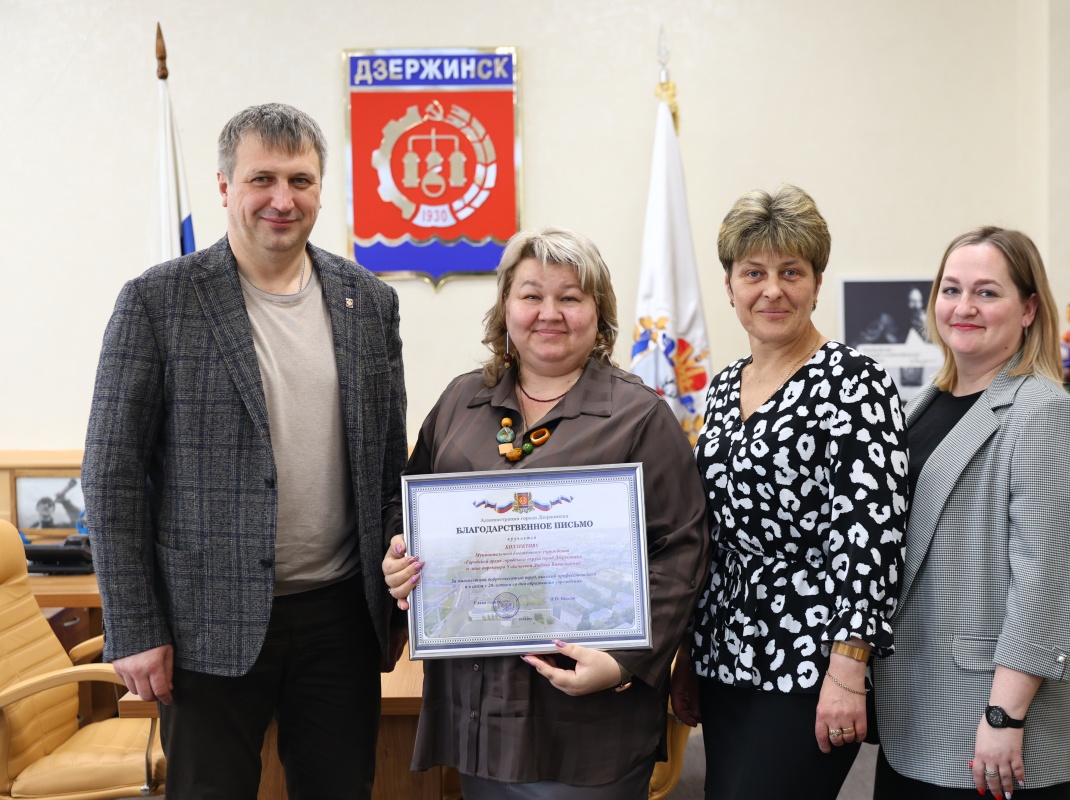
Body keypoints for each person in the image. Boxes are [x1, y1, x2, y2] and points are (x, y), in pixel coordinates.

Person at [82, 103, 408, 799]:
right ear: (225, 185)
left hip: (340, 618)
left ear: (320, 189)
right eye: (263, 179)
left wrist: (398, 599)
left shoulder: (369, 302)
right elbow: (111, 475)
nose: (283, 200)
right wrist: (133, 625)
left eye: (301, 180)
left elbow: (387, 465)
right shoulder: (158, 301)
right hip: (203, 622)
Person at [382, 227, 709, 799]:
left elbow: (683, 550)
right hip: (476, 709)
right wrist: (397, 558)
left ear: (598, 313)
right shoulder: (460, 402)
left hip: (584, 718)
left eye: (570, 297)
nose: (549, 313)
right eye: (532, 295)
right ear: (506, 306)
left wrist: (624, 661)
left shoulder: (639, 417)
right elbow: (407, 509)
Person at [670, 184, 910, 798]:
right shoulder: (725, 386)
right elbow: (714, 532)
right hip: (724, 655)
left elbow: (871, 537)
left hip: (810, 662)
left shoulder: (854, 383)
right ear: (730, 286)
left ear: (817, 283)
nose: (771, 290)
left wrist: (848, 669)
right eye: (753, 273)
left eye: (791, 272)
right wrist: (691, 652)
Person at [871, 227, 1070, 800]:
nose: (963, 307)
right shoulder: (926, 403)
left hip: (991, 726)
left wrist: (1004, 717)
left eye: (987, 292)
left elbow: (1045, 585)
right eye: (951, 290)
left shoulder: (1044, 414)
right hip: (917, 709)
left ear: (1029, 309)